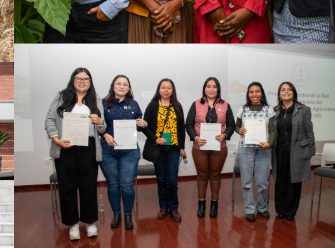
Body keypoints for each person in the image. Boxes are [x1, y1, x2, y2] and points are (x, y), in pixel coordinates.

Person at [44, 68, 107, 241]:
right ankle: (72, 225)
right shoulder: (62, 97)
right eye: (78, 78)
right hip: (65, 148)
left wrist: (100, 122)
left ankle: (90, 223)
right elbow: (49, 119)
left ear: (90, 81)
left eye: (86, 79)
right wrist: (56, 140)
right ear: (73, 80)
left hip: (88, 148)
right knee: (67, 187)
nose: (82, 81)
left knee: (88, 186)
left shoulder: (97, 99)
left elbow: (103, 128)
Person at [99, 74, 147, 230]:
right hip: (108, 150)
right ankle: (116, 215)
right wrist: (105, 134)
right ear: (113, 86)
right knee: (113, 184)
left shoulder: (134, 104)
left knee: (127, 185)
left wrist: (143, 123)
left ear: (129, 88)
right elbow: (97, 125)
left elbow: (139, 125)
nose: (121, 86)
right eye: (118, 83)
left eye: (125, 84)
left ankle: (127, 215)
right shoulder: (103, 104)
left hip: (129, 151)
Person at [185, 76, 235, 219]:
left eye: (214, 86)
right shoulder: (196, 104)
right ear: (204, 88)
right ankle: (201, 204)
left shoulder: (225, 105)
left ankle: (214, 204)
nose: (211, 89)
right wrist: (195, 137)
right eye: (208, 86)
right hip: (199, 147)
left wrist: (225, 135)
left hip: (219, 147)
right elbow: (188, 125)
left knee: (215, 176)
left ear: (218, 89)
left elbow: (231, 125)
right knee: (202, 176)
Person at [142, 78, 186, 222]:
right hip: (158, 149)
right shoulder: (153, 105)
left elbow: (181, 129)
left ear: (172, 90)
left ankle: (173, 208)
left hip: (173, 148)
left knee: (172, 181)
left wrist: (182, 147)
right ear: (159, 89)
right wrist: (155, 138)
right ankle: (163, 207)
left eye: (169, 88)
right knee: (161, 179)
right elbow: (145, 127)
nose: (166, 90)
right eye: (163, 87)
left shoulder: (177, 106)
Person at [270, 81, 314, 221]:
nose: (286, 92)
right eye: (283, 90)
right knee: (280, 179)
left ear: (293, 92)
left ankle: (291, 211)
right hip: (279, 150)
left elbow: (309, 132)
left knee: (294, 181)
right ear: (279, 94)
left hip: (297, 150)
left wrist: (310, 151)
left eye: (289, 89)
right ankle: (281, 209)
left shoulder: (304, 110)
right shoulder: (274, 111)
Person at [234, 82, 274, 221]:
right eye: (251, 92)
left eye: (257, 91)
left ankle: (262, 206)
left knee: (263, 182)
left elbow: (272, 130)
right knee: (246, 182)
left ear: (262, 93)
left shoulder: (269, 110)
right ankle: (249, 208)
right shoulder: (243, 109)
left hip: (263, 149)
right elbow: (236, 125)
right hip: (246, 149)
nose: (254, 94)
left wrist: (269, 144)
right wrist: (240, 130)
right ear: (248, 94)